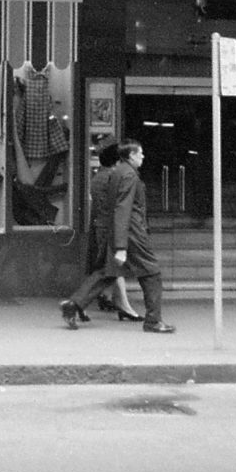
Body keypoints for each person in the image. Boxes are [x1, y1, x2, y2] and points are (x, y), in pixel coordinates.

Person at [59, 139, 174, 334]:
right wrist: (121, 246)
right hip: (132, 234)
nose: (143, 157)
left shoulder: (117, 173)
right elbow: (123, 208)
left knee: (107, 272)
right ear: (131, 156)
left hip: (119, 232)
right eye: (140, 153)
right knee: (152, 274)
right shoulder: (129, 175)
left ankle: (74, 304)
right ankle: (153, 320)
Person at [58, 141, 139, 325]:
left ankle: (83, 305)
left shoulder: (98, 177)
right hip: (110, 229)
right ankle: (76, 303)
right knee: (109, 270)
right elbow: (119, 207)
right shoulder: (114, 177)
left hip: (101, 227)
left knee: (107, 271)